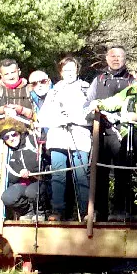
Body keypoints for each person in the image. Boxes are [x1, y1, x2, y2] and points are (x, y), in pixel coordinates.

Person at [93, 59, 137, 221]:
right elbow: (112, 102)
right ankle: (121, 209)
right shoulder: (129, 90)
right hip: (127, 134)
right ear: (134, 74)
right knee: (121, 171)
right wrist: (98, 104)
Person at [41, 57, 92, 220]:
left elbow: (91, 115)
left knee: (81, 174)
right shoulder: (53, 91)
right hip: (57, 137)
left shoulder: (86, 89)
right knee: (58, 174)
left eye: (72, 70)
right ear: (61, 72)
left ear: (77, 70)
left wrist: (75, 118)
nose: (69, 73)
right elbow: (43, 116)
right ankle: (58, 211)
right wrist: (58, 119)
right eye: (66, 70)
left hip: (79, 137)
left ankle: (86, 211)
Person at [89, 46, 134, 220]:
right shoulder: (98, 80)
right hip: (100, 131)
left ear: (125, 59)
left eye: (120, 56)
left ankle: (120, 210)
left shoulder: (132, 80)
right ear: (107, 59)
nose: (116, 59)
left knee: (123, 172)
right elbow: (89, 102)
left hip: (122, 131)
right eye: (113, 56)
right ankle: (99, 211)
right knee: (100, 172)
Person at [0, 119, 44, 221]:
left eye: (14, 134)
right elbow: (10, 177)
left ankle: (41, 212)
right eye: (7, 137)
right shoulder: (8, 152)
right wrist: (19, 173)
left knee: (31, 191)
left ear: (19, 132)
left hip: (40, 182)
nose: (11, 139)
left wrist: (30, 171)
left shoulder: (32, 141)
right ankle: (28, 211)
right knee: (7, 197)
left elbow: (44, 161)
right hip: (23, 185)